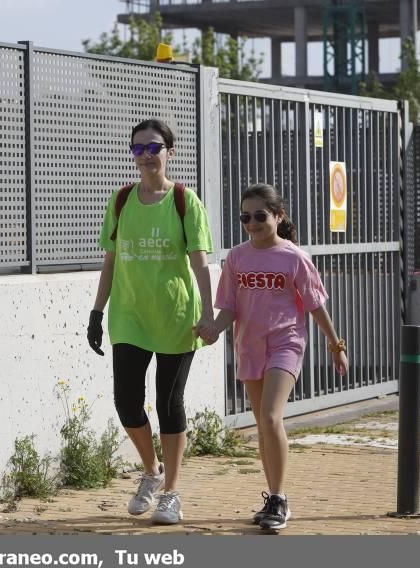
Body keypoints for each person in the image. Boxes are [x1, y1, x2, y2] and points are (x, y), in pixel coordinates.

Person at [196, 183, 349, 531]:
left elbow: (315, 305)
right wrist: (213, 329)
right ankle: (272, 497)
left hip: (286, 342)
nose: (252, 223)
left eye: (260, 216)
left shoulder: (294, 257)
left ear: (279, 216)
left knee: (269, 416)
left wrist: (336, 346)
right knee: (263, 426)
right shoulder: (236, 257)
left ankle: (279, 498)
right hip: (249, 346)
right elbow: (229, 307)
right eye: (245, 217)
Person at [87, 119, 214, 525]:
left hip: (176, 316)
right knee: (126, 400)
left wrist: (208, 314)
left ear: (169, 152)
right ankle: (152, 471)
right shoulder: (121, 200)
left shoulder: (184, 200)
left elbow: (200, 262)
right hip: (129, 316)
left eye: (153, 147)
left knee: (168, 404)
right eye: (138, 149)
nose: (145, 156)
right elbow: (110, 260)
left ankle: (172, 493)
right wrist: (96, 312)